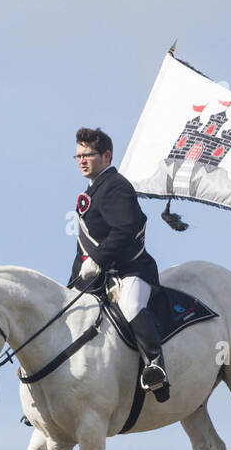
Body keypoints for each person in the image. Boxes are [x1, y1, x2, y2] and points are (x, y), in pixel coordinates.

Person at [67, 126, 170, 400]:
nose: (82, 161)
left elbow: (125, 230)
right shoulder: (92, 192)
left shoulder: (115, 186)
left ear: (107, 156)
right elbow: (83, 249)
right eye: (78, 156)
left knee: (131, 305)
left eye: (88, 155)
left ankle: (156, 367)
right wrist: (72, 285)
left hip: (132, 272)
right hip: (101, 276)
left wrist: (98, 260)